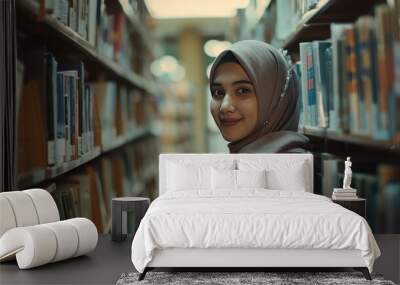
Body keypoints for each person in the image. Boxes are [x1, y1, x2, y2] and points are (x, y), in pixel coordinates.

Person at [209, 40, 309, 153]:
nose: (225, 107)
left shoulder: (285, 165)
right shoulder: (251, 159)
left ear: (276, 100)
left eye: (242, 91)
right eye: (218, 92)